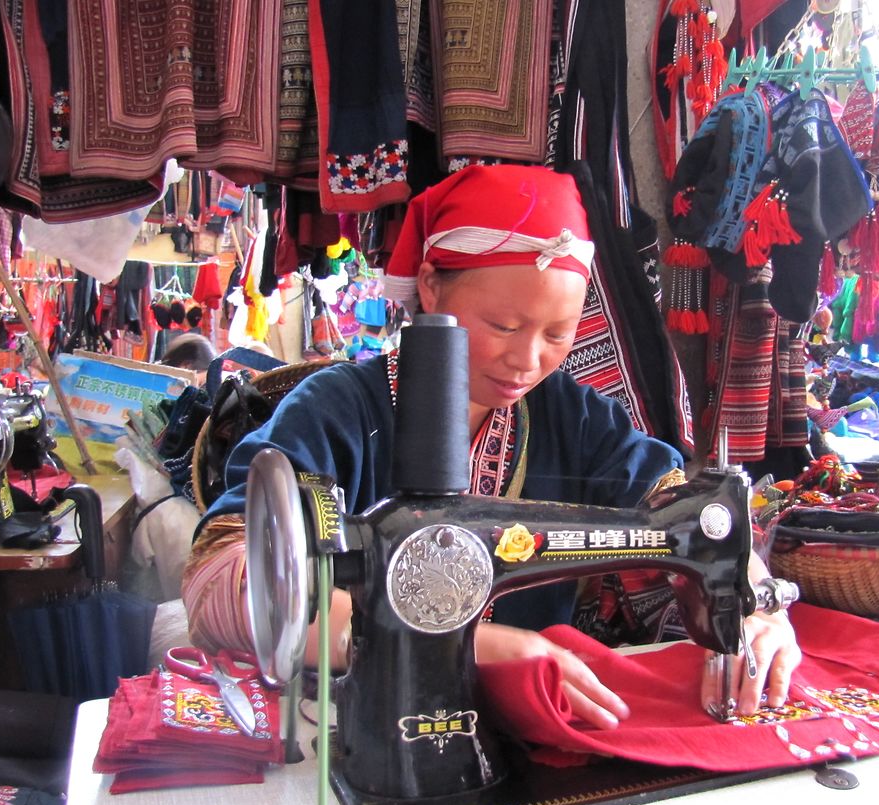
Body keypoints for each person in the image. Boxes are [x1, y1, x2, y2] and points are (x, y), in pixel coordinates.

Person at [182, 164, 800, 730]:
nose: (527, 362)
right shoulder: (336, 411)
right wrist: (446, 642)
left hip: (526, 727)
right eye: (504, 326)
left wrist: (757, 603)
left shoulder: (573, 416)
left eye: (558, 334)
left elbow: (692, 510)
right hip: (349, 728)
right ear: (430, 284)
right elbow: (221, 585)